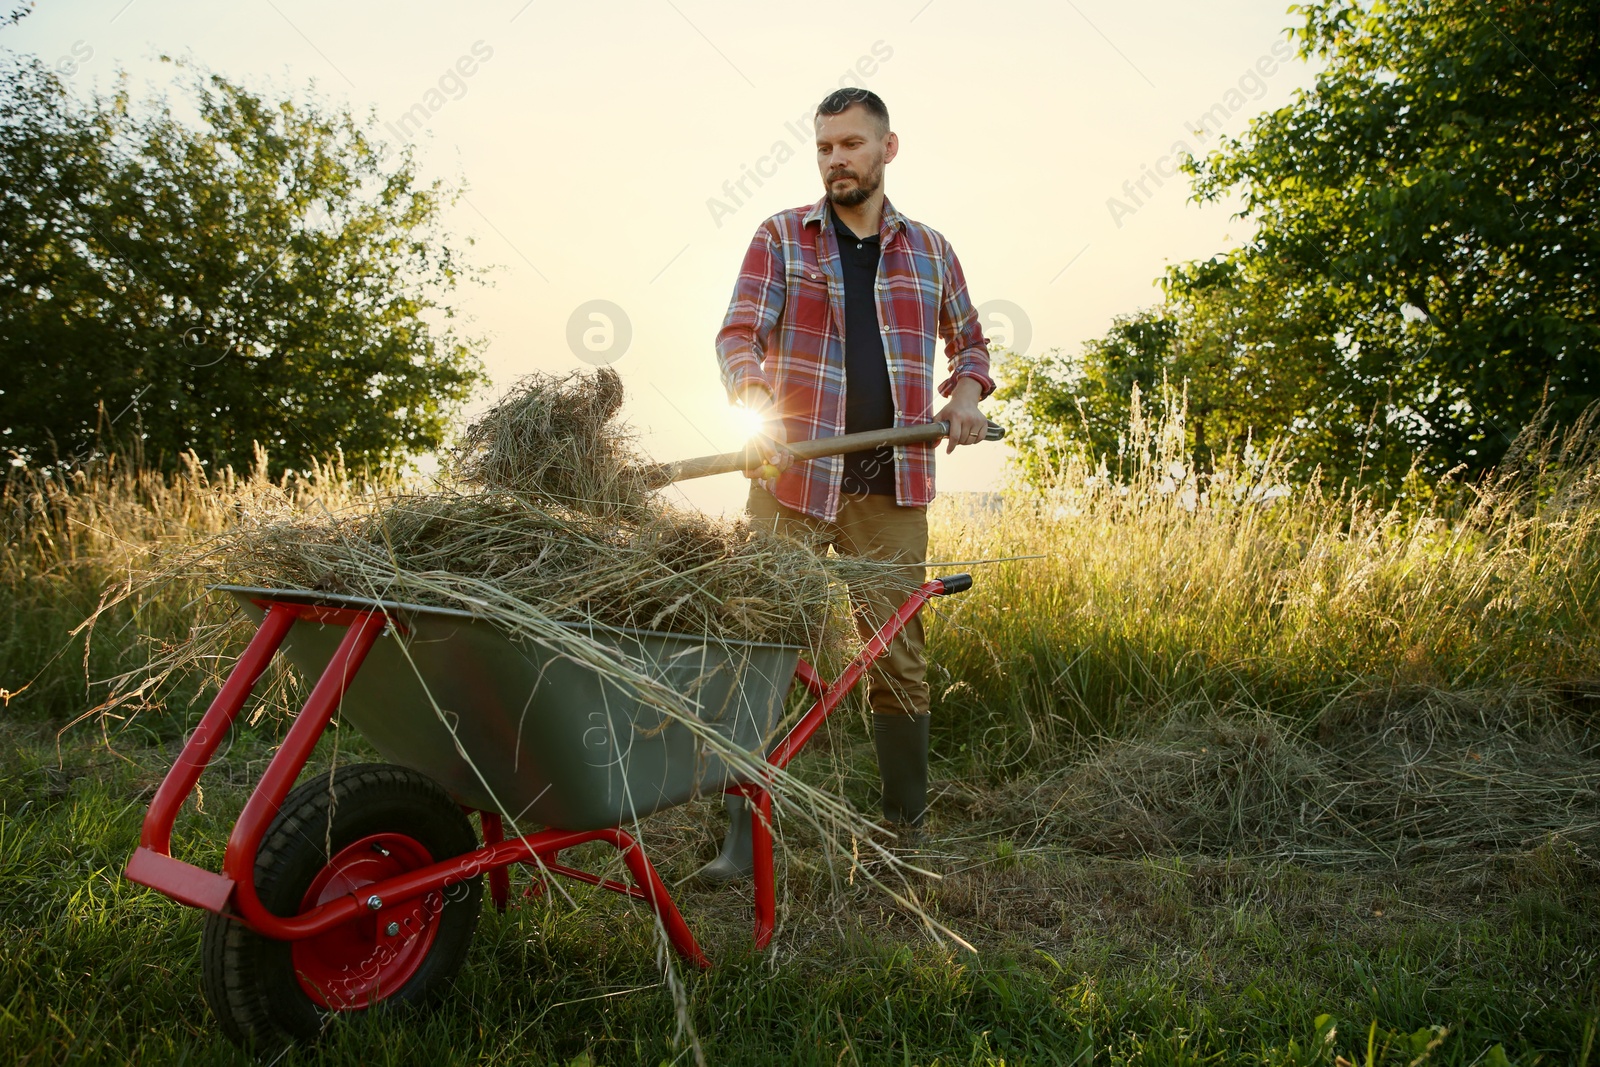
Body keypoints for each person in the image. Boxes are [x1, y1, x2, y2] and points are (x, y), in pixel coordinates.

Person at [697, 87, 994, 883]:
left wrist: (963, 399)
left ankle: (905, 830)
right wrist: (758, 406)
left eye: (852, 145)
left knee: (897, 655)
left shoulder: (930, 250)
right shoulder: (780, 238)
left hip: (891, 484)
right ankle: (738, 841)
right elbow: (738, 336)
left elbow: (971, 345)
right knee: (756, 650)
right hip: (791, 481)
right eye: (826, 147)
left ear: (887, 150)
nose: (837, 160)